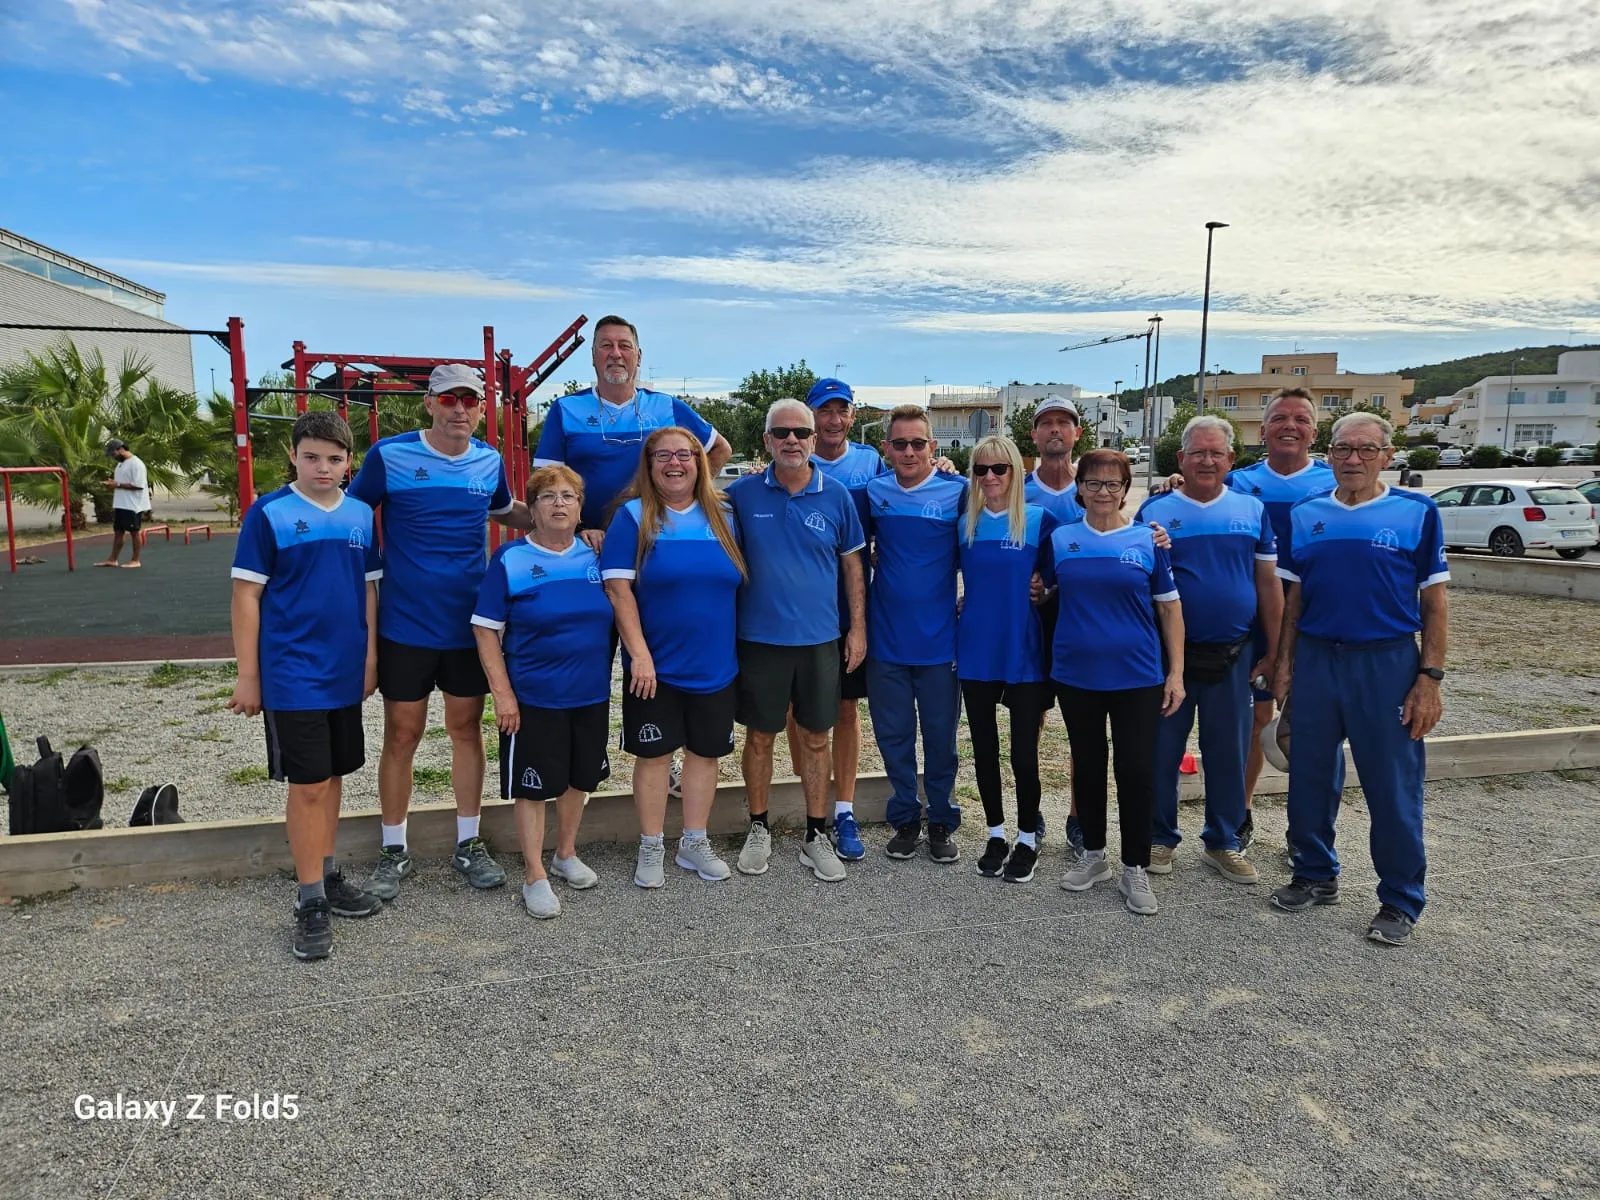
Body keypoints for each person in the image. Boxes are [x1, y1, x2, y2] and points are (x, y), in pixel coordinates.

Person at [348, 362, 534, 899]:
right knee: (402, 736)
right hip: (405, 625)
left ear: (481, 410)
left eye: (470, 402)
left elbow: (508, 512)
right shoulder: (390, 456)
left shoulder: (489, 460)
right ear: (428, 404)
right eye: (448, 400)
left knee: (465, 731)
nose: (459, 410)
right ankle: (392, 849)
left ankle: (468, 843)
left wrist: (569, 519)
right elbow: (352, 515)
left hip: (468, 627)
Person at [1270, 412, 1448, 947]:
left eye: (1366, 450)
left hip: (1387, 661)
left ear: (1386, 456)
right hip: (1320, 658)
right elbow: (1295, 599)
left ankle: (1399, 898)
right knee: (1309, 773)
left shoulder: (1417, 512)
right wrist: (1284, 663)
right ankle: (1314, 872)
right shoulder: (1306, 513)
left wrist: (1429, 678)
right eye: (1343, 449)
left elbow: (1435, 603)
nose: (1353, 460)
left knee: (1391, 783)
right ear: (1329, 454)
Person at [228, 412, 383, 961]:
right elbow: (246, 596)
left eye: (335, 459)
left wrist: (370, 659)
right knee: (309, 784)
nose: (324, 467)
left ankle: (329, 871)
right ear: (293, 455)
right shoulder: (268, 513)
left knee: (335, 775)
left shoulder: (361, 514)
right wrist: (250, 675)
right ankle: (309, 898)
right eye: (312, 456)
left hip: (345, 669)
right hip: (293, 671)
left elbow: (368, 591)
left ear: (349, 464)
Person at [725, 400, 866, 882]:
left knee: (816, 737)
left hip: (819, 640)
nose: (792, 440)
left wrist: (859, 629)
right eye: (781, 432)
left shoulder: (838, 495)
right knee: (760, 736)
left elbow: (853, 567)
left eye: (800, 433)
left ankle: (815, 834)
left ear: (812, 441)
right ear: (766, 441)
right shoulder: (741, 495)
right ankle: (758, 827)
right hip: (759, 639)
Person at [1041, 449, 1185, 915]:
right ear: (1079, 487)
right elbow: (1043, 590)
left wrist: (1176, 673)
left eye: (1113, 484)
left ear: (1126, 489)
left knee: (1136, 770)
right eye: (1094, 483)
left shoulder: (1148, 540)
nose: (1103, 492)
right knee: (1087, 764)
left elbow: (1169, 607)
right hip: (1076, 673)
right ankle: (1095, 855)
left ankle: (1135, 866)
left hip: (1138, 674)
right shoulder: (1062, 538)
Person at [601, 427, 747, 888]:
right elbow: (618, 588)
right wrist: (639, 655)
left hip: (716, 665)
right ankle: (650, 845)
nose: (675, 463)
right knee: (655, 757)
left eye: (685, 454)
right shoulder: (633, 515)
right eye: (663, 455)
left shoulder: (724, 514)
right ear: (649, 465)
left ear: (700, 463)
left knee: (705, 756)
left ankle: (694, 842)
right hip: (655, 669)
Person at [1138, 416, 1280, 884]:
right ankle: (1159, 837)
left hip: (1234, 653)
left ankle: (1223, 841)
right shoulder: (1154, 513)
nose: (1206, 460)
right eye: (1197, 452)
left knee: (1228, 751)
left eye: (1216, 452)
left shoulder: (1251, 510)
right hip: (1169, 659)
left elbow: (1267, 585)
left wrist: (1274, 651)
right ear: (1180, 459)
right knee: (1162, 751)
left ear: (1230, 460)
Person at [471, 465, 610, 919]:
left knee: (578, 780)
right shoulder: (510, 560)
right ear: (532, 509)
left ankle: (565, 854)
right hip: (534, 697)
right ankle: (535, 875)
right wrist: (503, 695)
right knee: (533, 790)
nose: (559, 503)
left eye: (568, 495)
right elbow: (486, 630)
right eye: (548, 496)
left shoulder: (597, 556)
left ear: (580, 506)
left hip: (590, 693)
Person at [1224, 388, 1336, 846]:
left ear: (1314, 429)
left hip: (1316, 619)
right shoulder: (1239, 482)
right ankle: (1242, 812)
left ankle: (1308, 833)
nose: (1290, 425)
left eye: (1301, 418)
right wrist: (1174, 479)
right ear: (1263, 429)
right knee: (1255, 721)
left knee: (1312, 727)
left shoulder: (1335, 483)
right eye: (1280, 418)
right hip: (1254, 621)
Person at [789, 376, 888, 859]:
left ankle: (844, 808)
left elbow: (908, 484)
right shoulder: (788, 460)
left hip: (849, 602)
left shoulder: (870, 462)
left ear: (852, 416)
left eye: (841, 410)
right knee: (797, 709)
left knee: (846, 709)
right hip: (795, 608)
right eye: (823, 411)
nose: (832, 420)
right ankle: (807, 801)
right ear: (809, 419)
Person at [866, 404, 968, 863]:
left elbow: (996, 532)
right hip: (885, 640)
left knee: (941, 736)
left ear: (934, 448)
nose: (909, 452)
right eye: (900, 443)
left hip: (940, 642)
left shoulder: (959, 492)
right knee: (894, 735)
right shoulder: (871, 492)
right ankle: (906, 817)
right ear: (886, 448)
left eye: (918, 443)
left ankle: (942, 819)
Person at [958, 435, 1056, 883]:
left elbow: (1062, 583)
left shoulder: (1040, 521)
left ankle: (1028, 838)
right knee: (983, 748)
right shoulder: (964, 525)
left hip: (1024, 651)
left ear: (1017, 471)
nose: (991, 477)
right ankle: (995, 833)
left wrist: (1045, 593)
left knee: (1023, 753)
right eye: (981, 470)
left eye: (1000, 469)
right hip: (977, 648)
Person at [534, 315, 731, 532]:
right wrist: (576, 530)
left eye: (624, 346)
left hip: (654, 536)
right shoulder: (565, 409)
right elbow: (546, 483)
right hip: (590, 541)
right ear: (593, 356)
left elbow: (720, 449)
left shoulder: (667, 407)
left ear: (638, 357)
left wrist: (687, 499)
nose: (615, 353)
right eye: (606, 345)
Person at [1022, 396, 1087, 853]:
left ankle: (1080, 819)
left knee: (1082, 725)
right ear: (1034, 435)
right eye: (1047, 423)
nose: (1055, 430)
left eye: (1064, 422)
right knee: (1033, 721)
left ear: (1077, 433)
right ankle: (1032, 814)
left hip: (1085, 619)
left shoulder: (1098, 486)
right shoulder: (1016, 490)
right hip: (1033, 620)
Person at [97, 439, 151, 569]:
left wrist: (118, 484)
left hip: (133, 504)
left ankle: (135, 560)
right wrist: (113, 483)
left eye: (113, 454)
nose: (113, 457)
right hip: (121, 503)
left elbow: (138, 486)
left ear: (121, 449)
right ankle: (113, 559)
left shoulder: (136, 464)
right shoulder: (121, 464)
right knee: (119, 531)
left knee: (134, 531)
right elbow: (122, 482)